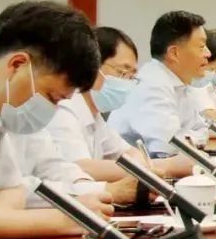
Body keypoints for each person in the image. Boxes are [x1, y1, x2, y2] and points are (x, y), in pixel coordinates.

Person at [0, 1, 113, 239]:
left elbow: (14, 191)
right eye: (52, 97)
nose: (52, 110)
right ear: (17, 65)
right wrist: (70, 219)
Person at [48, 26, 190, 181]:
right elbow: (81, 167)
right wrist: (156, 168)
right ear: (93, 66)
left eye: (132, 76)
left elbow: (128, 152)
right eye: (123, 72)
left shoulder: (95, 115)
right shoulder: (65, 108)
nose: (127, 82)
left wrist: (144, 165)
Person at [108, 11, 212, 160]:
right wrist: (192, 139)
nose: (208, 53)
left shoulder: (179, 83)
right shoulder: (153, 85)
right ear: (174, 53)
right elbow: (168, 149)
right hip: (132, 171)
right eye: (201, 46)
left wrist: (190, 138)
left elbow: (202, 130)